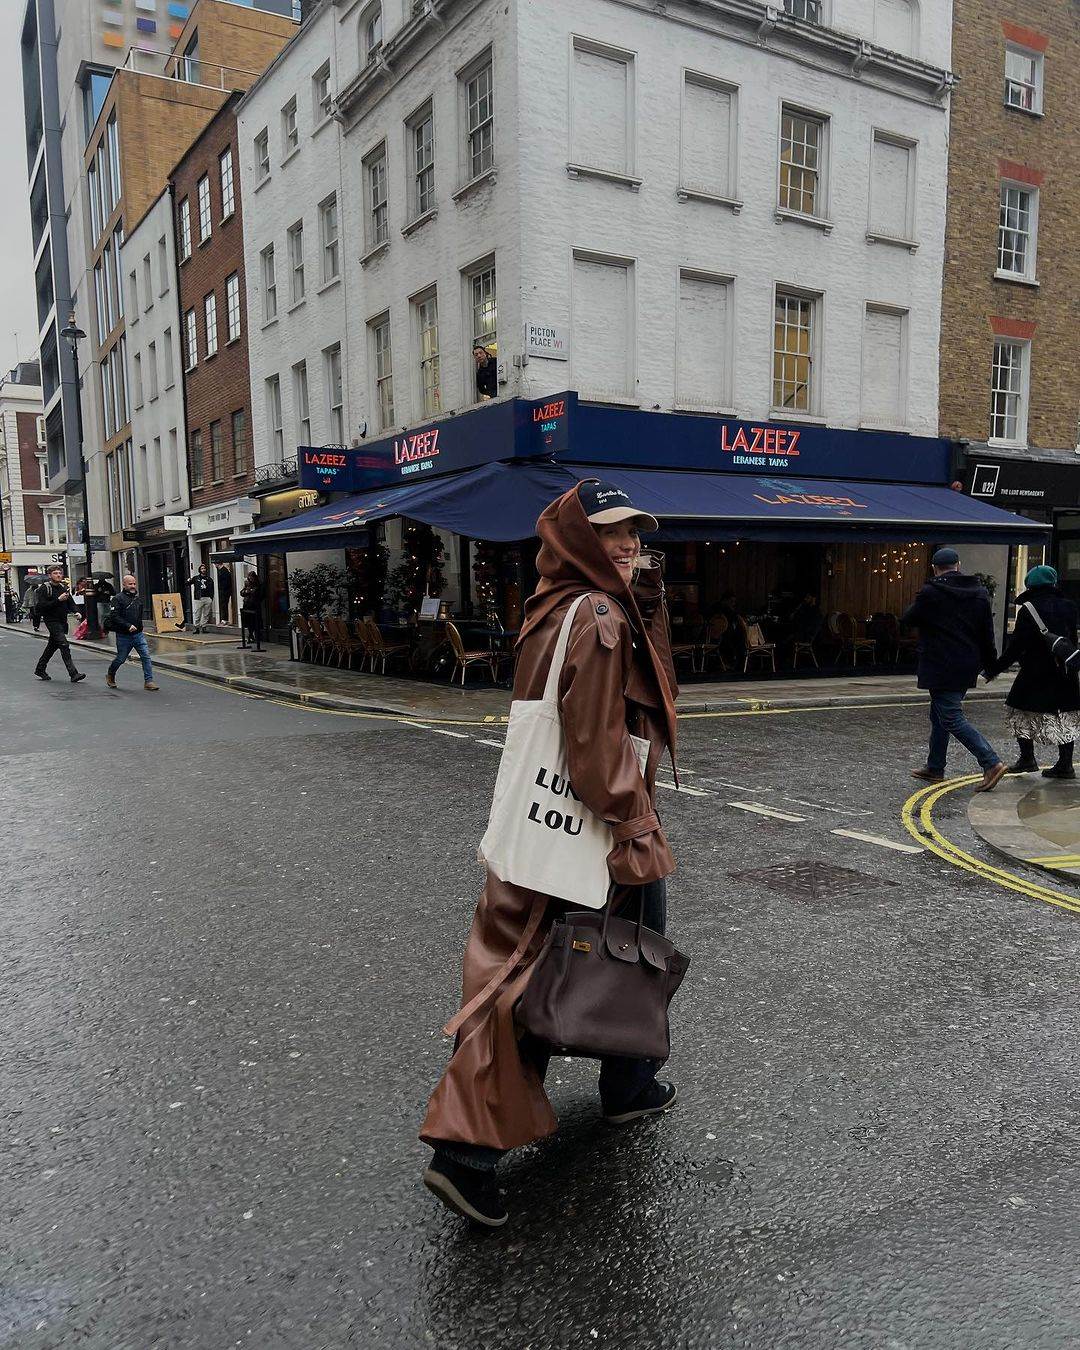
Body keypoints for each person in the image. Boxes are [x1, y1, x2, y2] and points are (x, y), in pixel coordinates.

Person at [420, 479, 680, 1228]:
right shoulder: (597, 615)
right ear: (577, 538)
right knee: (540, 975)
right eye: (611, 532)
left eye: (634, 532)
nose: (628, 544)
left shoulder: (556, 602)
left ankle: (630, 1085)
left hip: (547, 820)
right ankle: (464, 1156)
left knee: (605, 953)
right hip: (588, 825)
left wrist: (643, 594)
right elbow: (595, 742)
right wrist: (634, 827)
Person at [903, 547, 1005, 791]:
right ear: (958, 566)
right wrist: (991, 666)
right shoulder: (979, 593)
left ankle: (991, 762)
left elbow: (908, 618)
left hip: (940, 663)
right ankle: (935, 767)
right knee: (939, 715)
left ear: (935, 568)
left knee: (950, 716)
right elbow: (987, 634)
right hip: (967, 663)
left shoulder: (931, 592)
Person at [986, 564, 1080, 779]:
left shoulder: (1028, 609)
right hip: (1064, 671)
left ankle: (1027, 758)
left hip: (1035, 672)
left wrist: (993, 670)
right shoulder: (1069, 606)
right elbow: (1071, 640)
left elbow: (1016, 646)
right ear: (1053, 583)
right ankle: (1065, 764)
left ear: (1030, 585)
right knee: (1064, 715)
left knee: (1018, 710)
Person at [32, 565, 86, 683]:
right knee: (64, 644)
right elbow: (41, 606)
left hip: (62, 621)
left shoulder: (63, 588)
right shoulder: (44, 588)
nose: (58, 575)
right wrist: (58, 600)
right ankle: (73, 674)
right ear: (49, 575)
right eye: (55, 573)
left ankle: (40, 669)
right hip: (51, 621)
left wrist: (76, 612)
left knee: (52, 647)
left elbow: (70, 602)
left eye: (60, 573)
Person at [105, 573, 159, 691]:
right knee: (121, 659)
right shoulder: (117, 599)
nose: (133, 586)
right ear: (124, 585)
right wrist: (128, 625)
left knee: (146, 656)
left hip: (138, 635)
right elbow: (114, 616)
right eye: (130, 584)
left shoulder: (137, 599)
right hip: (124, 635)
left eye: (134, 583)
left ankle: (149, 681)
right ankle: (111, 674)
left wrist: (139, 627)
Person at [185, 564, 216, 633]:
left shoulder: (209, 579)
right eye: (202, 568)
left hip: (207, 598)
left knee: (206, 614)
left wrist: (211, 598)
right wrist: (188, 580)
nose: (203, 570)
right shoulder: (196, 578)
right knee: (197, 613)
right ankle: (197, 627)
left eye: (204, 568)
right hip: (199, 598)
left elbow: (212, 589)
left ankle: (204, 627)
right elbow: (187, 584)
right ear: (199, 570)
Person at [240, 571, 264, 651]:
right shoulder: (247, 584)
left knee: (255, 621)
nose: (250, 579)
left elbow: (258, 594)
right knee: (249, 622)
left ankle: (256, 637)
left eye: (251, 578)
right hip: (247, 605)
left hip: (254, 605)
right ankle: (250, 635)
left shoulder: (258, 584)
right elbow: (242, 592)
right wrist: (247, 591)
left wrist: (249, 592)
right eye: (249, 578)